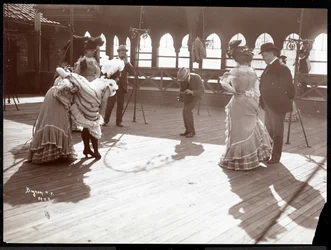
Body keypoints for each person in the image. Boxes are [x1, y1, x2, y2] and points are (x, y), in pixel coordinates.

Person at [218, 40, 272, 170]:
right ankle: (252, 158)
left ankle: (239, 160)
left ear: (236, 58)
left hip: (238, 101)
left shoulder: (235, 71)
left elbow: (224, 84)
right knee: (250, 127)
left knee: (238, 130)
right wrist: (255, 102)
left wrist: (234, 91)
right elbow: (257, 90)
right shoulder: (252, 71)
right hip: (251, 100)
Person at [56, 58, 123, 159]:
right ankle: (96, 152)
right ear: (117, 75)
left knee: (87, 126)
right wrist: (101, 115)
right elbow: (104, 101)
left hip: (87, 103)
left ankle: (87, 148)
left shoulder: (102, 79)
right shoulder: (110, 84)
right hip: (91, 105)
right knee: (94, 127)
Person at [27, 69, 79, 164]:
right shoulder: (68, 80)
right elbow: (62, 90)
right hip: (57, 99)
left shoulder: (61, 79)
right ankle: (57, 152)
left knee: (50, 120)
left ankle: (51, 151)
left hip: (51, 97)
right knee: (58, 121)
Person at [259, 42, 295, 164]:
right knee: (268, 130)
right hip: (268, 104)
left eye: (264, 55)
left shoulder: (282, 68)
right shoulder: (269, 67)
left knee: (277, 131)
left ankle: (275, 156)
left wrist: (285, 101)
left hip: (277, 106)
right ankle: (268, 152)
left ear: (271, 53)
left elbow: (290, 88)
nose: (263, 58)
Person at [71, 36, 104, 132]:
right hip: (83, 83)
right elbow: (76, 73)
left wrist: (96, 79)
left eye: (94, 50)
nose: (93, 52)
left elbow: (98, 71)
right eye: (91, 50)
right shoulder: (82, 61)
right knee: (80, 103)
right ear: (86, 50)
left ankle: (89, 123)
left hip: (92, 83)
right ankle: (76, 124)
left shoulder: (94, 60)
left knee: (90, 104)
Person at [103, 45, 135, 127]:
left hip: (122, 86)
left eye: (124, 53)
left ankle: (119, 121)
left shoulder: (126, 63)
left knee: (120, 105)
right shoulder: (113, 61)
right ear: (118, 52)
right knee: (110, 104)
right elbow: (107, 72)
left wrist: (128, 62)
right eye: (121, 52)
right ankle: (105, 120)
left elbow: (133, 72)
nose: (123, 54)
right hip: (113, 85)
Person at [177, 67, 204, 138]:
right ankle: (187, 130)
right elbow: (182, 89)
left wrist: (192, 92)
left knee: (187, 110)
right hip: (188, 96)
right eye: (181, 80)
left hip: (196, 96)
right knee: (184, 111)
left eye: (184, 79)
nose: (182, 81)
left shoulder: (196, 77)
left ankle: (192, 131)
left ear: (187, 75)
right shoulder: (182, 80)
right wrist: (180, 96)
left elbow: (202, 91)